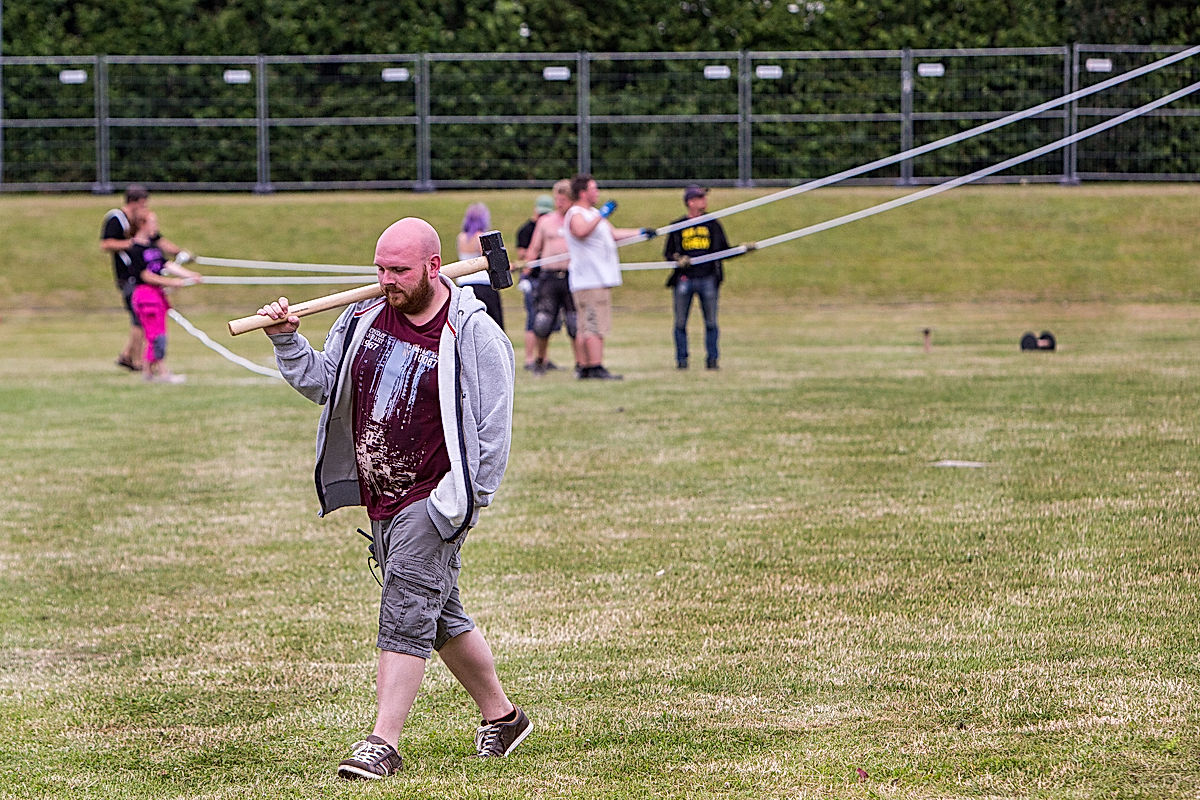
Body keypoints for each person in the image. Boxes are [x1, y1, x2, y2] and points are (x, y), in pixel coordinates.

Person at [254, 217, 530, 781]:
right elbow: (322, 384)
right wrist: (286, 339)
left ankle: (383, 741)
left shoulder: (474, 335)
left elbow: (493, 431)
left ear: (433, 266)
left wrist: (462, 503)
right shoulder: (361, 317)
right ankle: (503, 717)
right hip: (379, 493)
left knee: (404, 611)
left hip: (434, 497)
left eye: (398, 270)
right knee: (438, 615)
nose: (386, 280)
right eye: (380, 268)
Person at [563, 173, 656, 380]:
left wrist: (640, 233)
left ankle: (587, 367)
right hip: (590, 279)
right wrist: (602, 214)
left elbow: (613, 234)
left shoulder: (593, 213)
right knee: (594, 325)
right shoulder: (576, 213)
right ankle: (594, 367)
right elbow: (581, 232)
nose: (597, 193)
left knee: (588, 325)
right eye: (593, 189)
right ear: (583, 192)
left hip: (598, 279)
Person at [99, 184, 190, 372]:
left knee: (139, 320)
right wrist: (133, 244)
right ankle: (136, 360)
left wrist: (180, 253)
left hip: (140, 277)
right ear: (133, 202)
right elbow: (106, 243)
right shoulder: (117, 219)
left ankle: (127, 356)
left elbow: (159, 240)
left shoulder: (143, 221)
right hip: (128, 276)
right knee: (139, 319)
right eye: (142, 204)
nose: (145, 208)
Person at [128, 210, 204, 384]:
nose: (156, 226)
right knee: (156, 336)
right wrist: (171, 283)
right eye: (152, 222)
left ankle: (148, 372)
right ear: (142, 225)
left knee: (157, 334)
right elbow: (145, 275)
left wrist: (190, 275)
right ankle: (162, 372)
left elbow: (167, 265)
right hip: (145, 296)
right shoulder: (134, 249)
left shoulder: (152, 247)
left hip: (157, 296)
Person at [662, 185, 730, 370]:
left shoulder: (712, 224)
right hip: (684, 280)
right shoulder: (678, 225)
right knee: (680, 323)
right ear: (690, 202)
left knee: (711, 322)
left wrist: (743, 249)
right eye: (700, 197)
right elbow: (668, 253)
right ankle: (682, 360)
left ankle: (712, 359)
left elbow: (724, 251)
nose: (704, 200)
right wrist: (678, 259)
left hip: (708, 279)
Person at [526, 180, 584, 375]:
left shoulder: (577, 221)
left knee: (575, 323)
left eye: (564, 199)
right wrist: (525, 268)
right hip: (549, 277)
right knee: (543, 322)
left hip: (571, 276)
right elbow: (535, 248)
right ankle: (540, 361)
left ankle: (580, 363)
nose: (560, 203)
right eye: (557, 199)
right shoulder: (545, 221)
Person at [515, 194, 554, 371]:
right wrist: (536, 253)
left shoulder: (550, 227)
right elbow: (522, 254)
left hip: (547, 278)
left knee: (547, 320)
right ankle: (530, 359)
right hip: (532, 278)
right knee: (532, 318)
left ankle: (543, 357)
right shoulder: (525, 230)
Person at [455, 203, 504, 329]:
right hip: (483, 285)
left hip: (464, 284)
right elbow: (491, 261)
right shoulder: (480, 238)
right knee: (493, 324)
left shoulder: (461, 237)